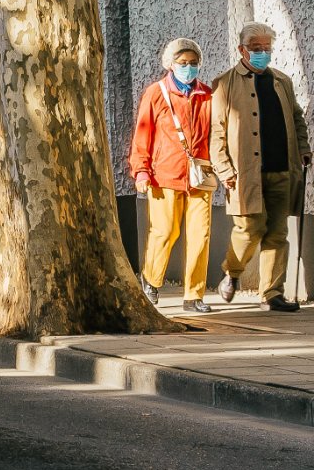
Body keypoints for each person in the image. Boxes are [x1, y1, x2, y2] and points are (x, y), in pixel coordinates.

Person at [207, 23, 307, 312]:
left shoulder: (282, 81)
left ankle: (272, 293)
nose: (262, 53)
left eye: (266, 48)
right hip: (244, 172)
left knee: (277, 233)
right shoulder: (225, 83)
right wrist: (223, 168)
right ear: (242, 50)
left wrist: (304, 148)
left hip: (281, 167)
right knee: (249, 228)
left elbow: (297, 118)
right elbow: (216, 131)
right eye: (256, 48)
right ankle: (232, 272)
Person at [128, 37, 213, 310]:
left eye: (193, 63)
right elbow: (143, 134)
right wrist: (140, 171)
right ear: (171, 64)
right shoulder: (156, 93)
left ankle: (194, 296)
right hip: (164, 175)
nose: (189, 68)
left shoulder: (207, 94)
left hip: (199, 175)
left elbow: (218, 133)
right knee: (164, 231)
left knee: (201, 235)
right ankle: (151, 282)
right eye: (183, 63)